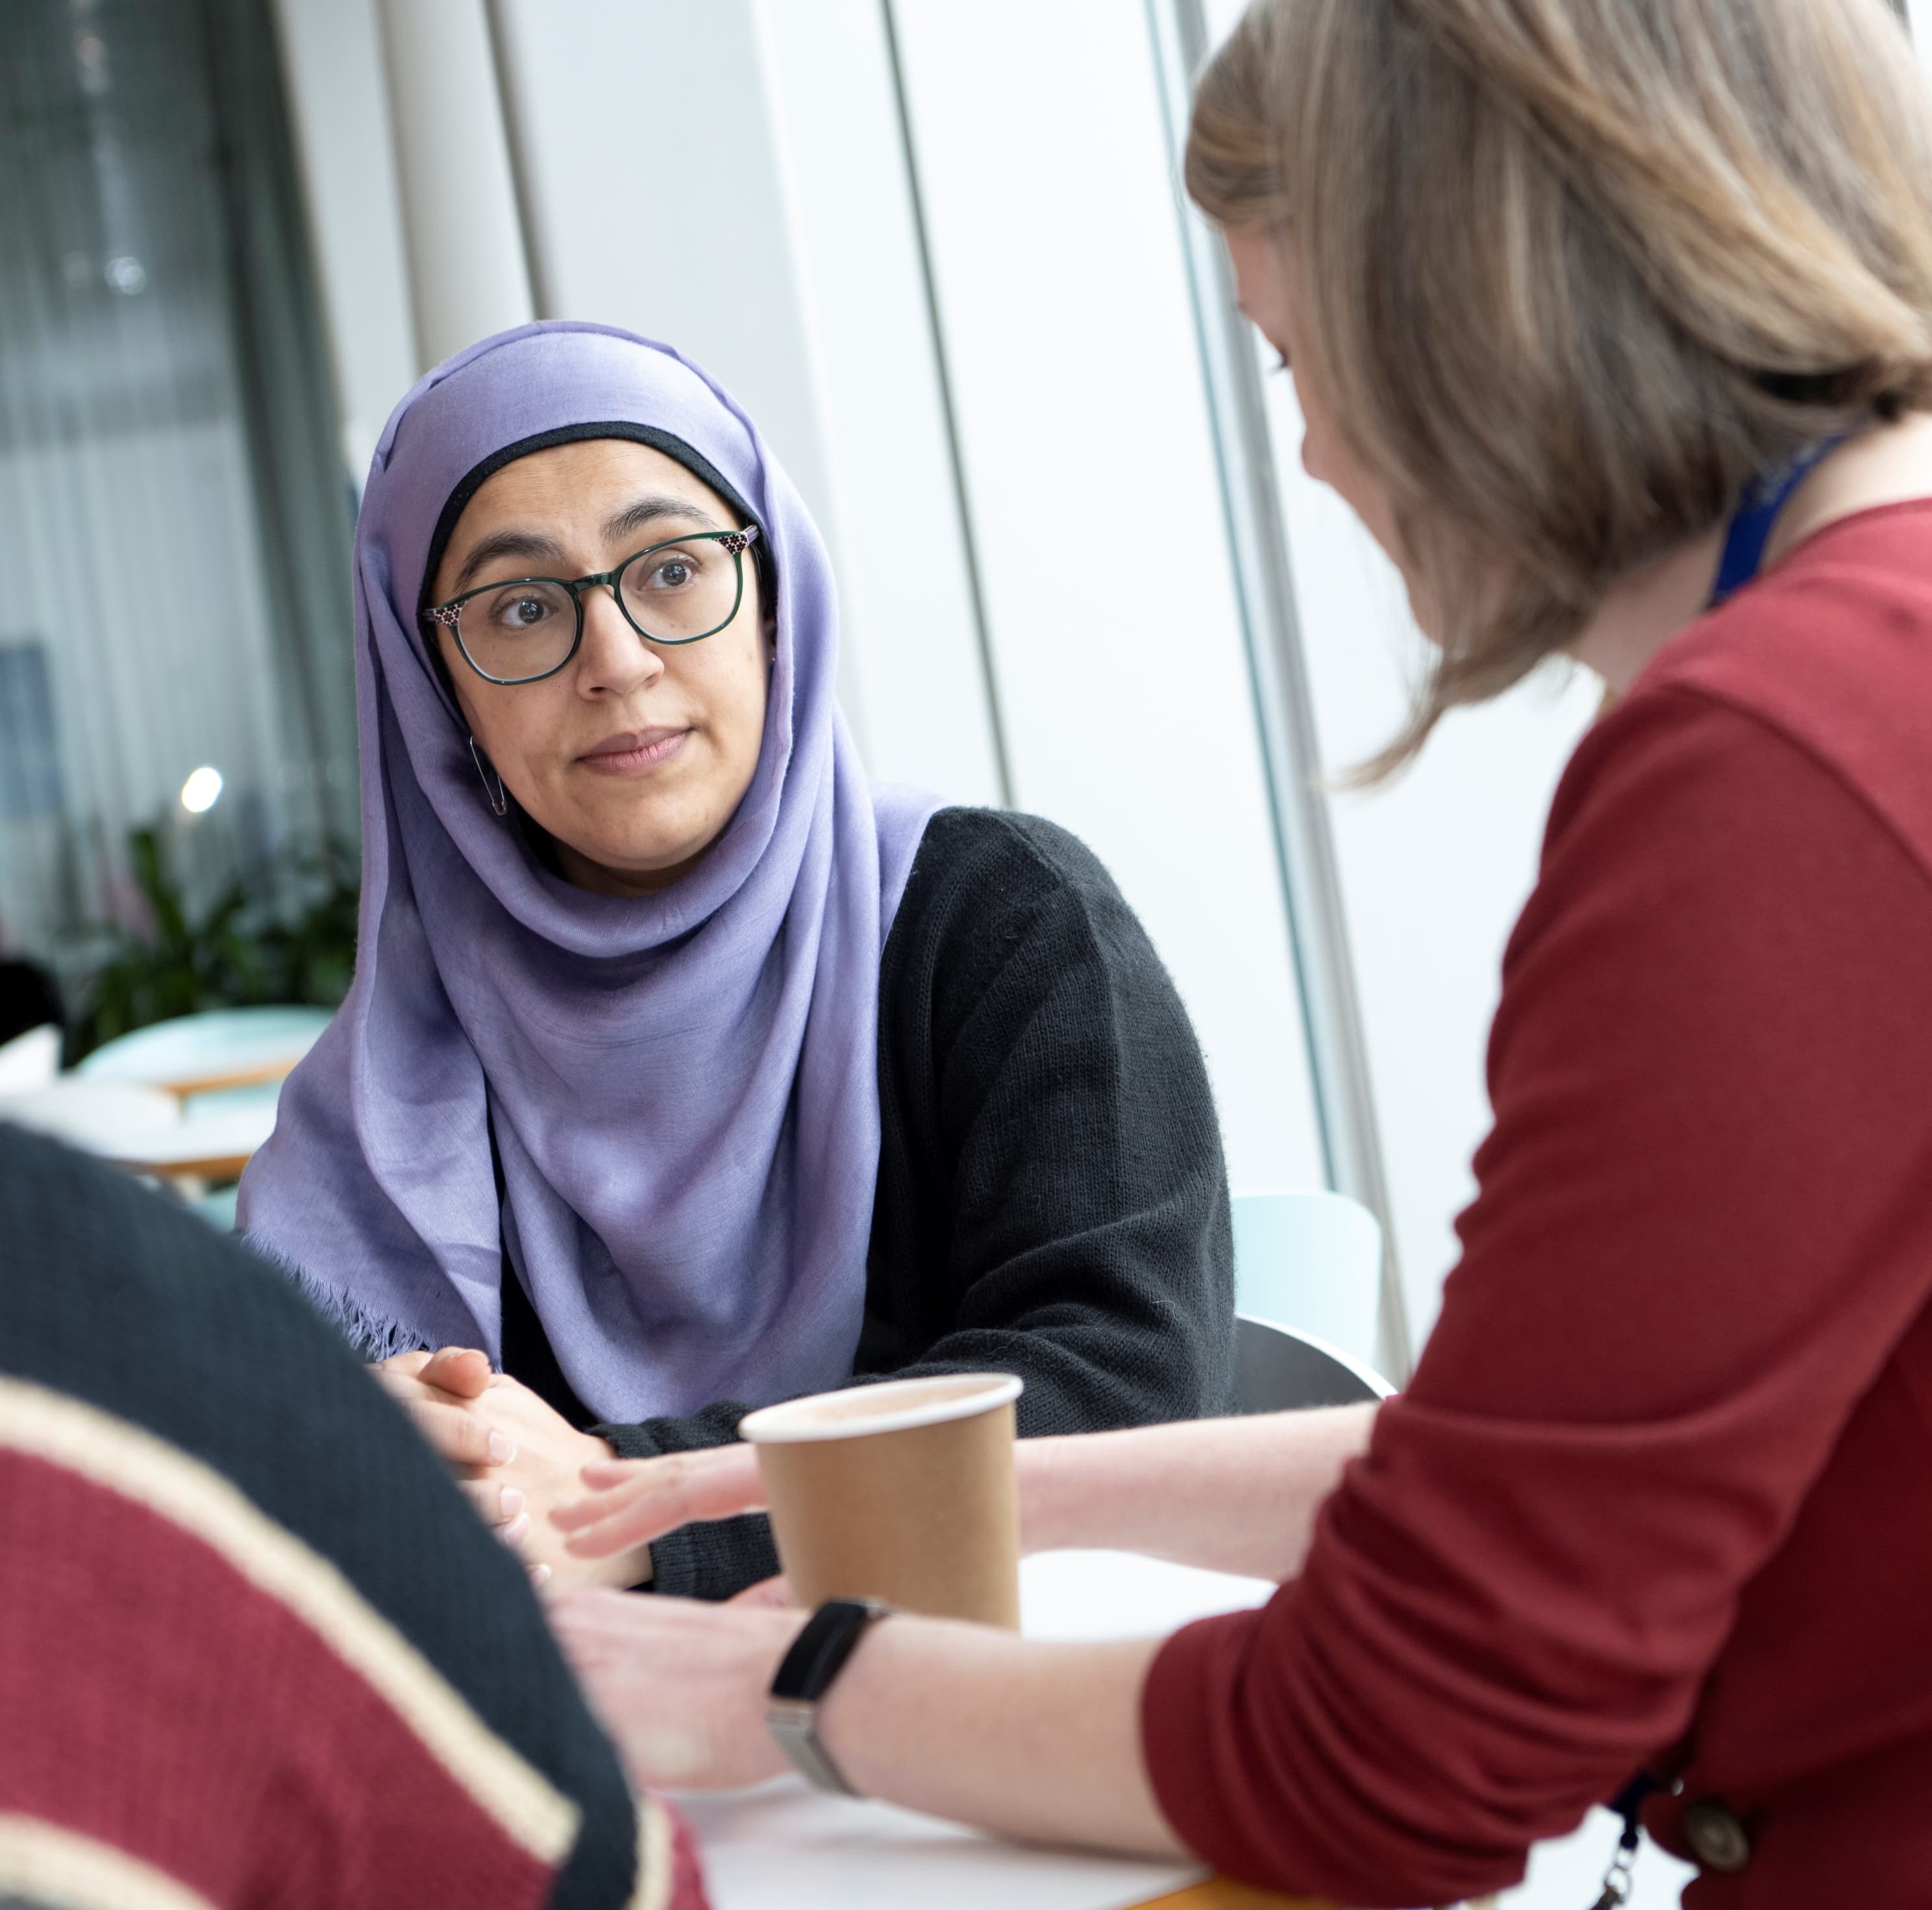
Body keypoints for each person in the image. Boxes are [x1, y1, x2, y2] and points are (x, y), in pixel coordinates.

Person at [545, 0, 1932, 1910]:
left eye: (1300, 356)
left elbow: (1398, 1758)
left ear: (1470, 308)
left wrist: (800, 1681)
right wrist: (855, 1493)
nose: (1308, 451)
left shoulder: (1795, 768)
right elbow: (1517, 1484)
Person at [238, 321, 1230, 1598]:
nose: (617, 662)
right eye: (523, 607)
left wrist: (638, 1505)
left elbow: (1131, 1387)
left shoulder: (1004, 928)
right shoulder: (390, 1097)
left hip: (1001, 1730)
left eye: (670, 570)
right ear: (438, 698)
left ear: (773, 604)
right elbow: (259, 1501)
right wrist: (371, 1447)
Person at [0, 1121, 708, 1910]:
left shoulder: (882, 1013)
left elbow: (887, 1462)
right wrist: (360, 1438)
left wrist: (640, 1500)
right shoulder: (347, 1116)